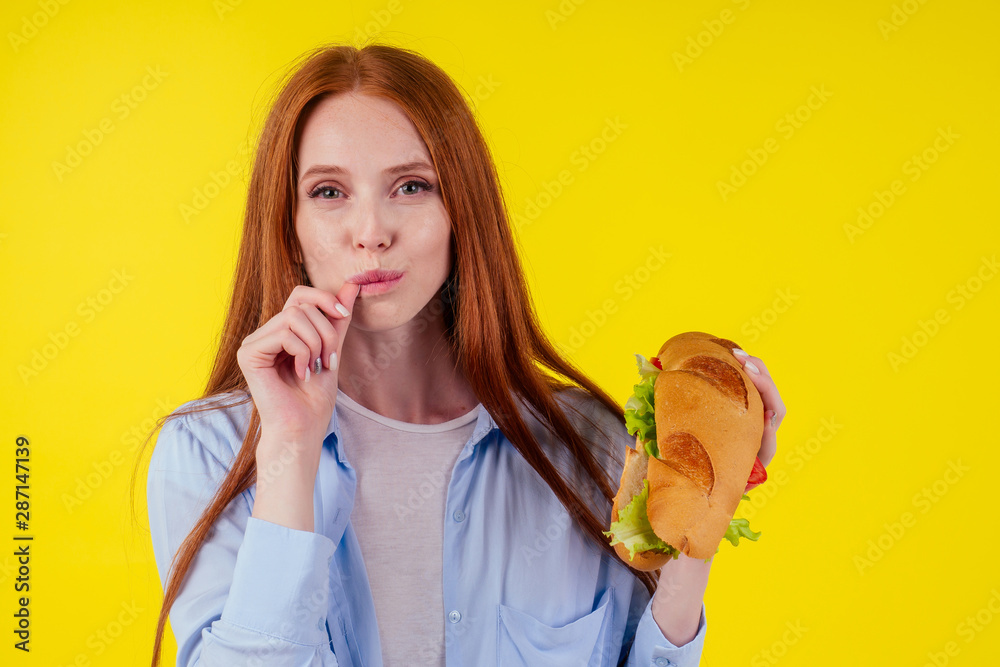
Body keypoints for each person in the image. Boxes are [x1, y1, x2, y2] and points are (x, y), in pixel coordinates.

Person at [139, 42, 785, 667]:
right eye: (329, 192)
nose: (372, 232)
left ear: (462, 213)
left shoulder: (591, 445)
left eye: (412, 186)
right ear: (288, 223)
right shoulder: (206, 452)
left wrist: (699, 521)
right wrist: (288, 451)